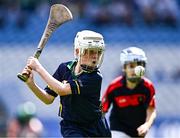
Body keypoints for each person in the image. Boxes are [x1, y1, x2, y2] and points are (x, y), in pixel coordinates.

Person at [22, 30, 111, 137]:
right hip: (72, 127)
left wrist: (38, 67)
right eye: (91, 51)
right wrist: (31, 83)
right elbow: (48, 98)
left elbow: (62, 90)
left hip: (96, 127)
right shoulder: (64, 69)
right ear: (78, 51)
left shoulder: (95, 77)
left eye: (98, 52)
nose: (95, 56)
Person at [101, 47, 156, 138]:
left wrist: (146, 125)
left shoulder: (148, 87)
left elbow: (151, 110)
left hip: (139, 132)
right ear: (124, 68)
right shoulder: (114, 87)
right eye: (131, 66)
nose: (135, 70)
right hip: (118, 130)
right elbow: (102, 111)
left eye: (139, 65)